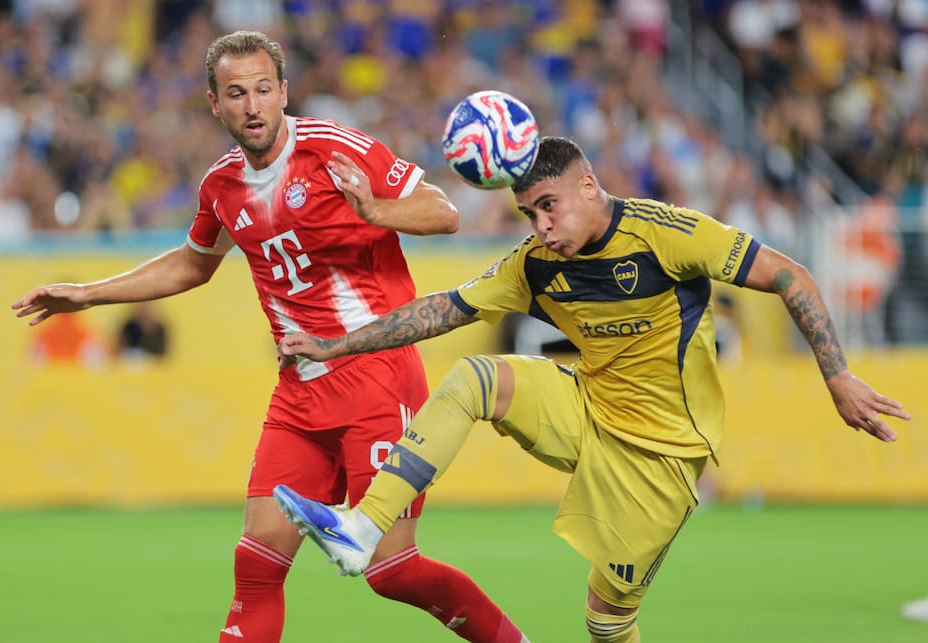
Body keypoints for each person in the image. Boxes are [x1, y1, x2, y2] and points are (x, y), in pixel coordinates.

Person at [270, 136, 910, 642]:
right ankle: (364, 527)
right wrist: (334, 344)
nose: (541, 224)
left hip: (662, 457)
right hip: (585, 410)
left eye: (550, 205)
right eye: (528, 212)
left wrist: (838, 376)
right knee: (475, 377)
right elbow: (444, 309)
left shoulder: (668, 233)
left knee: (606, 622)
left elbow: (790, 276)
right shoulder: (535, 263)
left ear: (588, 185)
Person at [12, 31, 528, 643]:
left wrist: (375, 212)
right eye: (236, 94)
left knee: (390, 569)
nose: (252, 106)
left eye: (263, 90)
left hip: (376, 376)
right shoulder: (221, 185)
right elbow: (192, 263)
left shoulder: (333, 148)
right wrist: (88, 293)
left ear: (284, 92)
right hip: (299, 393)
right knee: (256, 565)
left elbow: (442, 211)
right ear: (215, 104)